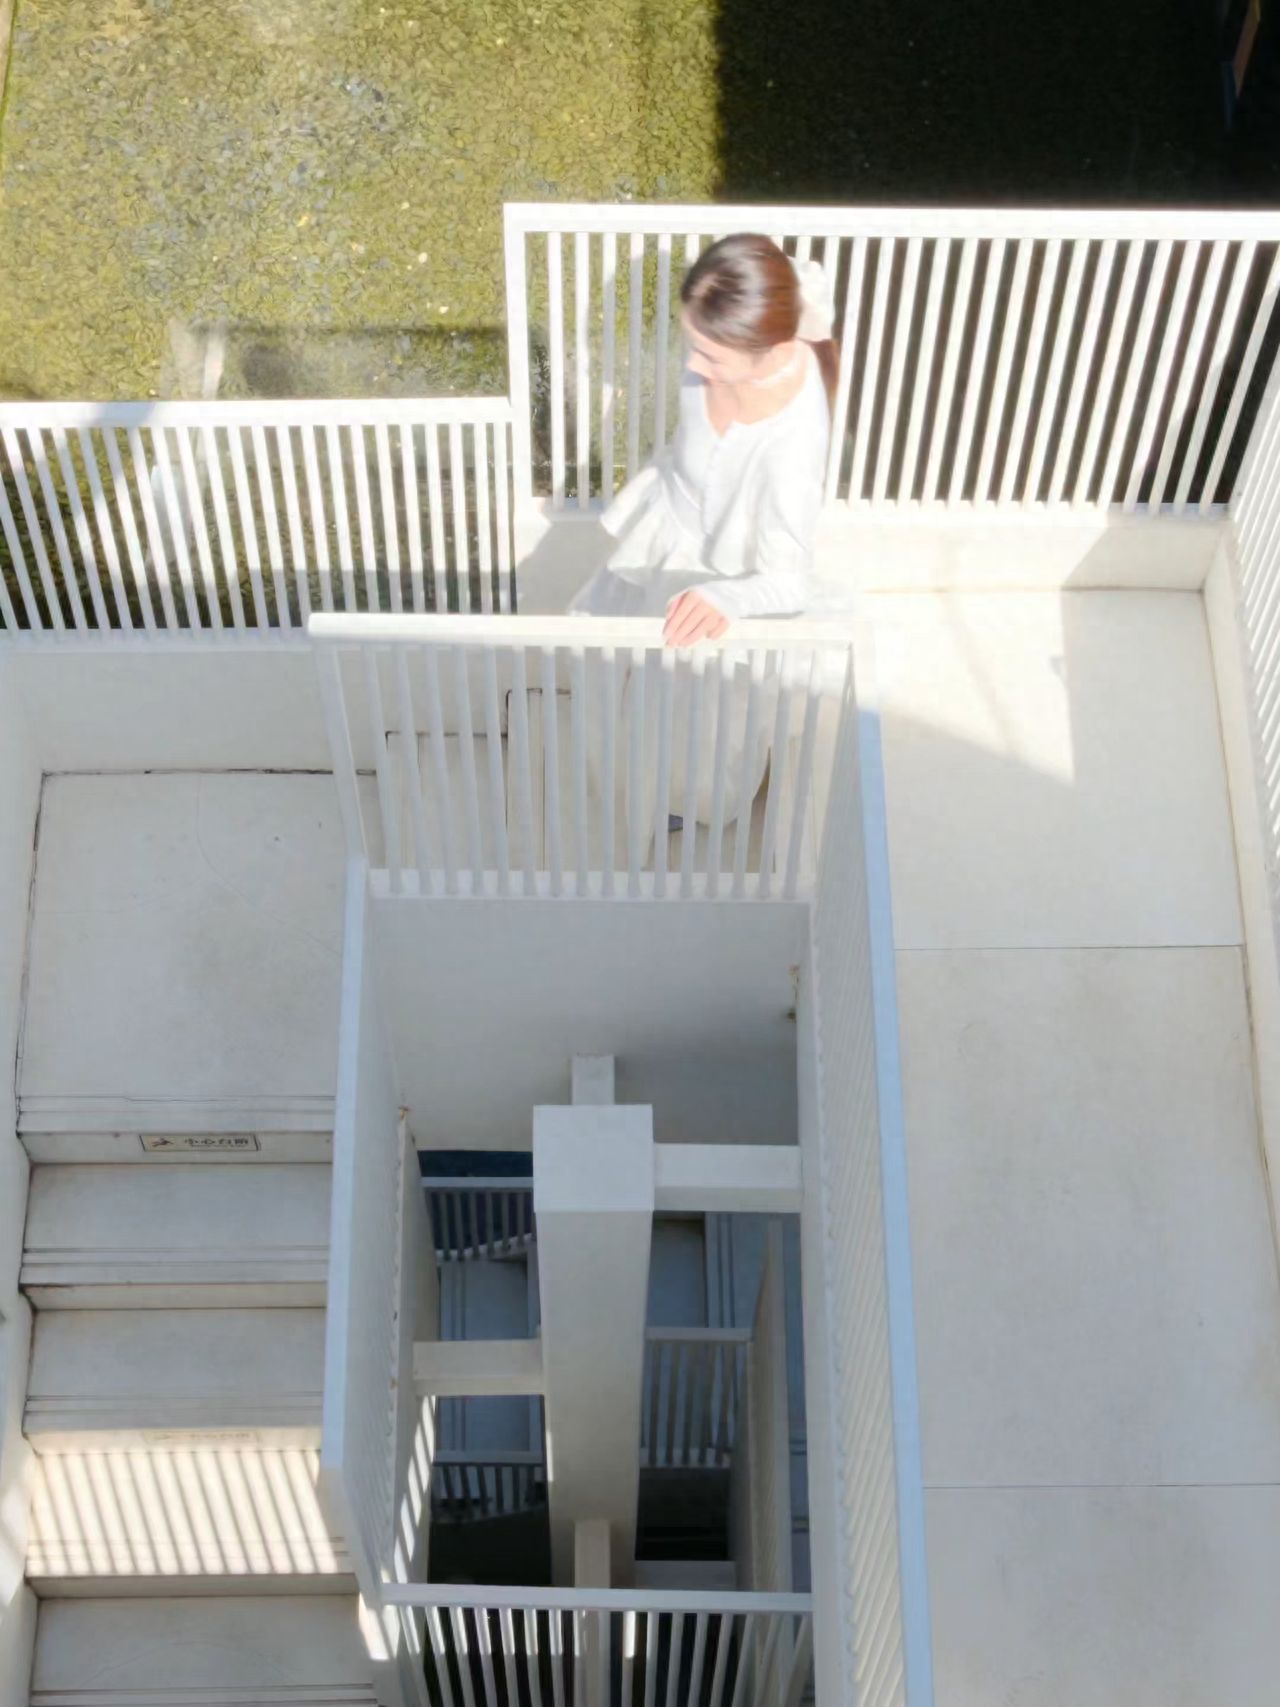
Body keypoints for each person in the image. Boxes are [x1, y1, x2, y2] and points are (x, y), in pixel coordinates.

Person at [570, 234, 839, 834]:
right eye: (692, 342)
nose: (692, 366)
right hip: (668, 534)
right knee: (623, 670)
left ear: (765, 350)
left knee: (702, 715)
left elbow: (788, 583)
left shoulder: (792, 448)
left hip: (723, 577)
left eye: (710, 355)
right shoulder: (756, 313)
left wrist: (724, 597)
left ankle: (694, 804)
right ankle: (632, 768)